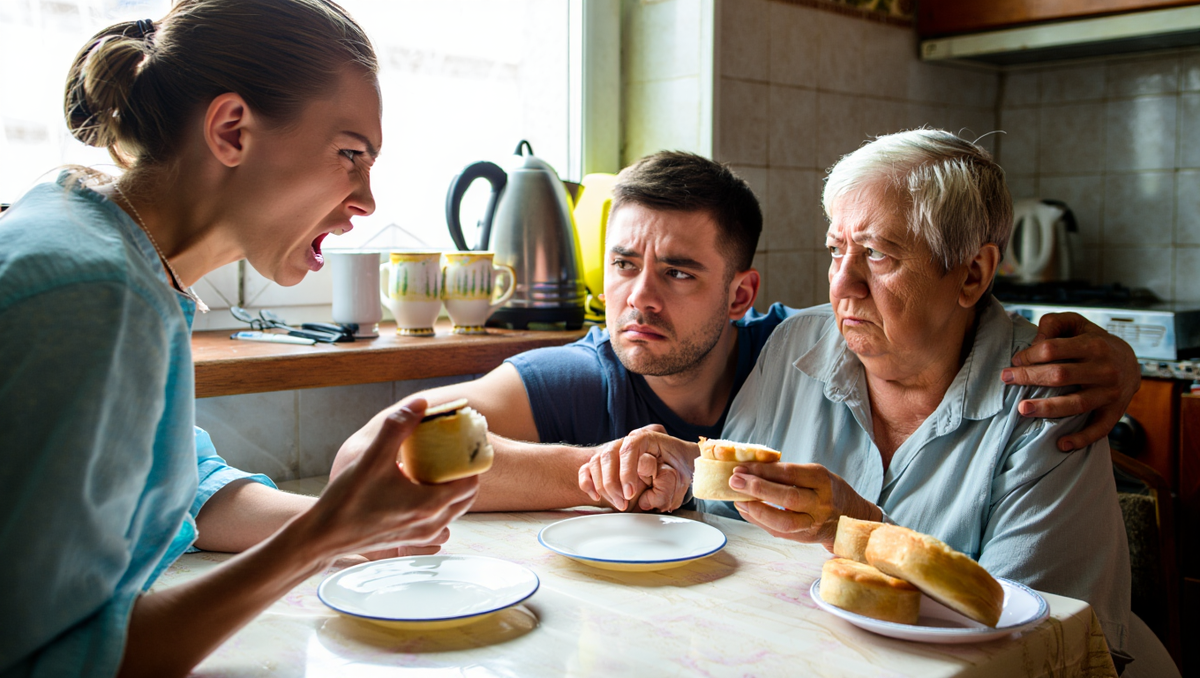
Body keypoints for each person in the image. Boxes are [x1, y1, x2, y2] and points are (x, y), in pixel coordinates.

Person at [587, 130, 1176, 676]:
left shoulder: (1050, 391)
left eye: (876, 255)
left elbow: (1031, 644)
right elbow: (730, 533)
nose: (841, 284)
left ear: (972, 274)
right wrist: (687, 467)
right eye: (835, 249)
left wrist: (850, 525)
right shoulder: (795, 345)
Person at [0, 3, 477, 677]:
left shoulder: (104, 247)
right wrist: (321, 537)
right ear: (231, 130)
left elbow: (182, 485)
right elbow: (57, 660)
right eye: (350, 154)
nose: (367, 200)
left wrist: (356, 528)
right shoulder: (95, 293)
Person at [332, 150, 1141, 513]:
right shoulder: (587, 375)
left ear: (741, 295)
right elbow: (370, 456)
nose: (637, 298)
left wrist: (1121, 360)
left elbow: (959, 334)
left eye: (679, 272)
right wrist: (599, 469)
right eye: (621, 265)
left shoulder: (798, 350)